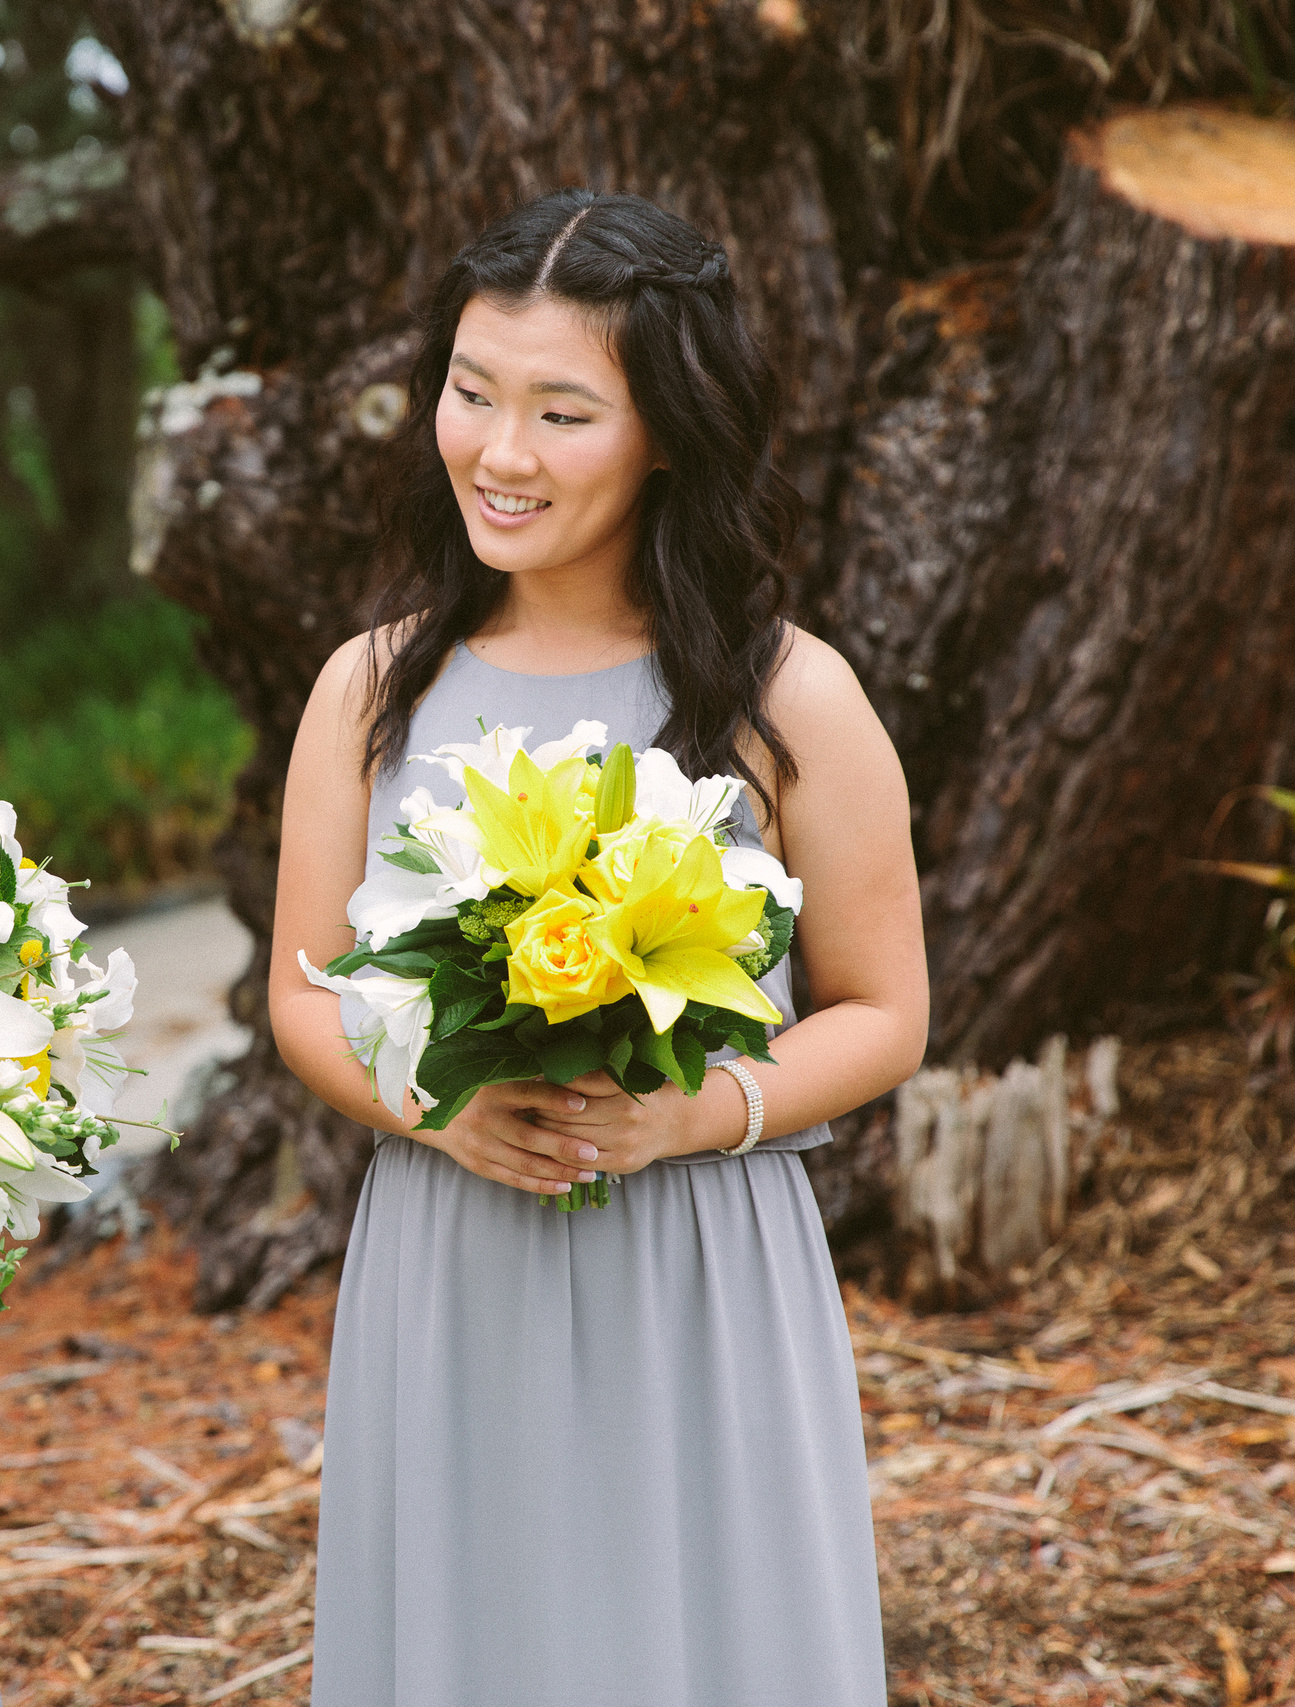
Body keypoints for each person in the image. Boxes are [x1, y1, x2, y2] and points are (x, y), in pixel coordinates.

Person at [272, 191, 927, 1704]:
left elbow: (887, 1010)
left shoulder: (790, 699)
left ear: (671, 433)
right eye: (471, 392)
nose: (498, 454)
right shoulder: (370, 691)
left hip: (701, 1260)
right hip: (453, 1247)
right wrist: (438, 1106)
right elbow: (303, 999)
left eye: (562, 411)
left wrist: (693, 1112)